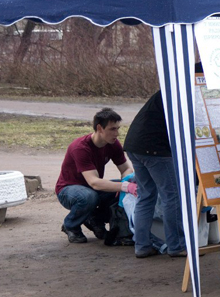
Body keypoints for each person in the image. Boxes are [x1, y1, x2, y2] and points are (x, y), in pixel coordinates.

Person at [55, 108, 135, 244]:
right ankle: (71, 225)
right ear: (99, 128)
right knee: (89, 197)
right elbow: (94, 182)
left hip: (91, 188)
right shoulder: (80, 148)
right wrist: (125, 186)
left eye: (118, 129)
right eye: (112, 129)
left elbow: (126, 168)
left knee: (120, 192)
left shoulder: (112, 143)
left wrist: (126, 181)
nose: (117, 133)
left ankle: (95, 219)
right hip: (68, 190)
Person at [123, 91, 186, 258]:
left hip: (135, 144)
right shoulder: (185, 91)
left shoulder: (169, 88)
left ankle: (142, 245)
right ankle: (177, 245)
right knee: (172, 195)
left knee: (145, 195)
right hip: (154, 148)